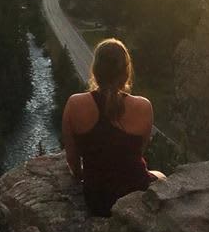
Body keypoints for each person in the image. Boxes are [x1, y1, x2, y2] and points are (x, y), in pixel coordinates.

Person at [61, 38, 165, 216]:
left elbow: (72, 160)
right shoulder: (144, 106)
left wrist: (83, 177)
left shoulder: (75, 103)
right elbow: (137, 153)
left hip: (97, 200)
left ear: (95, 70)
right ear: (126, 73)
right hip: (135, 194)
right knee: (162, 176)